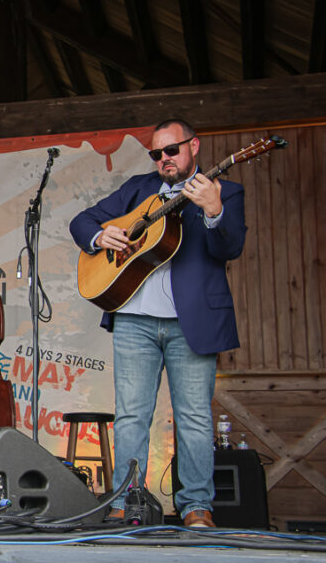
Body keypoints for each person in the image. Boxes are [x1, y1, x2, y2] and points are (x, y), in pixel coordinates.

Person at [69, 119, 247, 528]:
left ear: (194, 146)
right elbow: (82, 221)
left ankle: (196, 506)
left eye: (171, 150)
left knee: (195, 417)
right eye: (156, 153)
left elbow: (230, 246)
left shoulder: (226, 192)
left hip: (192, 322)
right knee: (131, 415)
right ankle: (125, 503)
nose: (164, 159)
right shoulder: (138, 188)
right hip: (133, 319)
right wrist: (101, 238)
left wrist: (214, 209)